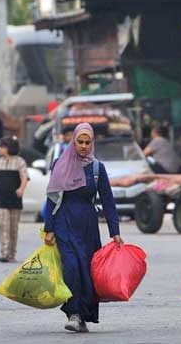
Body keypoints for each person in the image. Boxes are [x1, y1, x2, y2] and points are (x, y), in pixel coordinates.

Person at [43, 123, 122, 333]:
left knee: (87, 271)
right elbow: (51, 199)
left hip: (87, 225)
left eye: (88, 142)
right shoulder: (60, 164)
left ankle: (84, 315)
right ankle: (74, 313)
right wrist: (48, 227)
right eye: (80, 142)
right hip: (64, 222)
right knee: (71, 267)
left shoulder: (97, 168)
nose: (84, 146)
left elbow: (108, 201)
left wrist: (115, 232)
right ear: (73, 141)